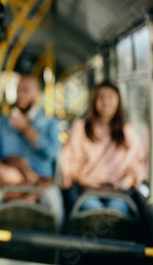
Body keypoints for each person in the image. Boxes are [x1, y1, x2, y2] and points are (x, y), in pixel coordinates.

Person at [60, 81, 146, 214]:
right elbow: (69, 159)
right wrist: (81, 177)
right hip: (86, 188)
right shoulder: (80, 128)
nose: (106, 102)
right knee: (93, 210)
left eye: (110, 97)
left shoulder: (128, 132)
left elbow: (138, 163)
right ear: (94, 101)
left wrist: (127, 181)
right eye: (101, 97)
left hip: (117, 190)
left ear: (118, 101)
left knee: (117, 210)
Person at [0, 75, 61, 196]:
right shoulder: (4, 123)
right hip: (9, 183)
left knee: (56, 208)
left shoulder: (50, 123)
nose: (21, 95)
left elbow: (51, 153)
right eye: (18, 90)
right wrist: (2, 169)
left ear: (37, 93)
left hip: (42, 183)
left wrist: (26, 129)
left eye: (25, 90)